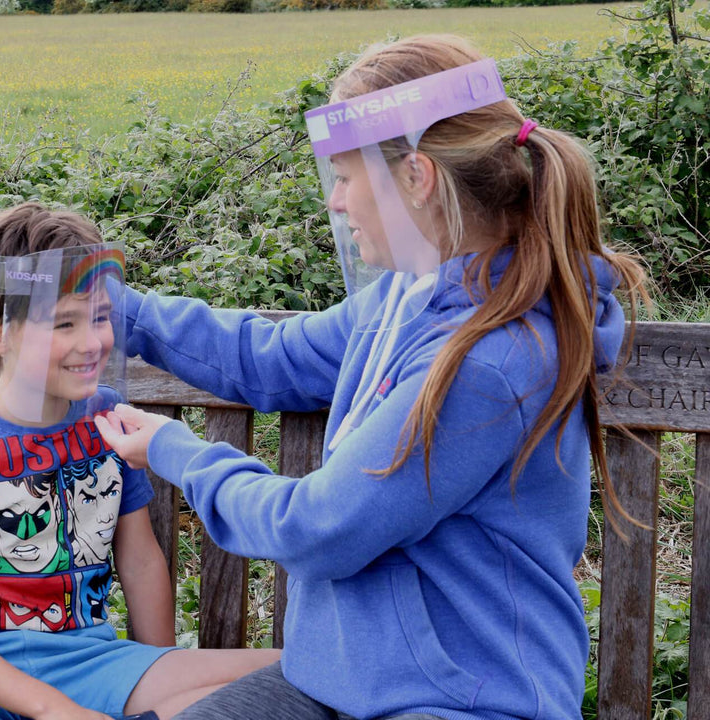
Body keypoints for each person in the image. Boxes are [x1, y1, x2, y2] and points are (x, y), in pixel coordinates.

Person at [93, 34, 650, 720]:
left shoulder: (494, 361)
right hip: (337, 684)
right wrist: (116, 308)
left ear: (415, 177)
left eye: (346, 179)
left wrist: (173, 451)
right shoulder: (405, 299)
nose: (336, 204)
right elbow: (270, 356)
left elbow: (323, 528)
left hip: (457, 702)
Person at [0, 202, 278, 720]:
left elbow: (138, 560)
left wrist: (155, 666)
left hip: (93, 662)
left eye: (99, 317)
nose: (91, 342)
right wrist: (53, 712)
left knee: (292, 674)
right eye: (64, 323)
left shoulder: (107, 423)